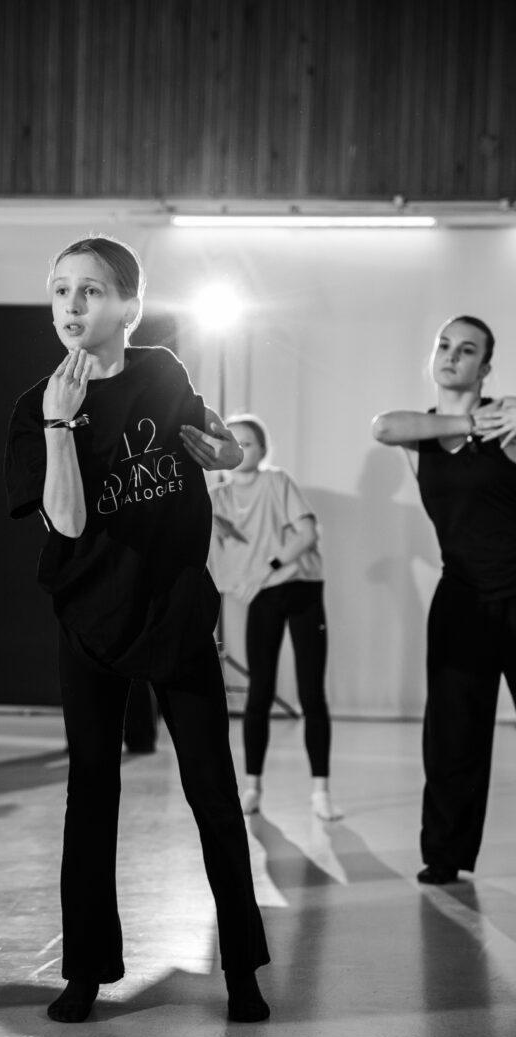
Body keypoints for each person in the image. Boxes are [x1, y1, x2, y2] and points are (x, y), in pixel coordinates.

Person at [5, 235, 270, 1024]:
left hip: (175, 614)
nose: (71, 305)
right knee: (91, 793)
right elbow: (67, 520)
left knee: (213, 794)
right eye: (60, 290)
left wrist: (224, 451)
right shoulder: (36, 407)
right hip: (89, 619)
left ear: (129, 305)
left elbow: (216, 446)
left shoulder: (162, 371)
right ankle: (85, 971)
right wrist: (60, 427)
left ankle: (243, 969)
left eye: (90, 290)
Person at [372, 315, 516, 884]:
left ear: (485, 367)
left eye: (467, 350)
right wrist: (467, 421)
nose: (452, 356)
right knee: (454, 732)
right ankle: (445, 853)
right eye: (445, 345)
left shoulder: (508, 421)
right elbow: (383, 426)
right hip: (461, 594)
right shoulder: (421, 432)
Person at [207, 414, 342, 821]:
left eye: (248, 442)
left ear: (263, 449)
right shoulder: (216, 498)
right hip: (263, 597)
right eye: (232, 440)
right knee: (259, 692)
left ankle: (321, 791)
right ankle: (252, 787)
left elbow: (307, 535)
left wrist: (268, 567)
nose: (240, 448)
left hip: (301, 589)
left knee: (311, 692)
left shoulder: (277, 481)